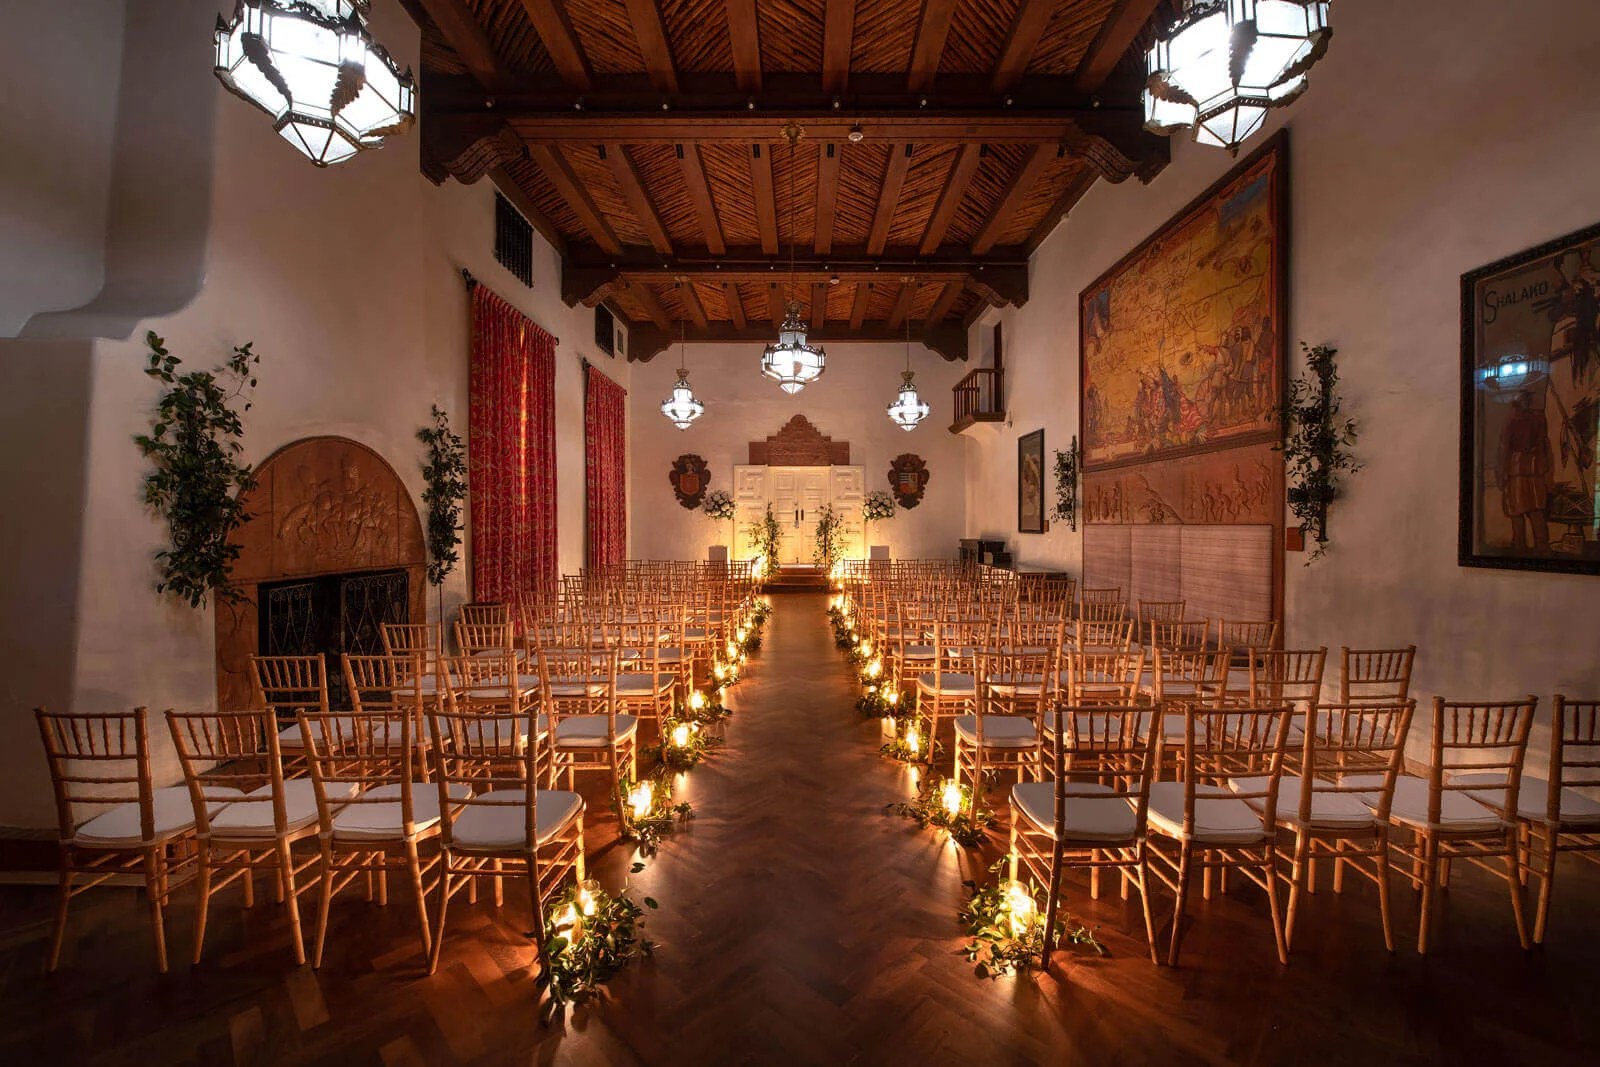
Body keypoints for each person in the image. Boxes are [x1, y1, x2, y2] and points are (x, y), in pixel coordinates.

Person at [1497, 389, 1554, 552]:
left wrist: (1501, 473)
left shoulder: (1514, 420)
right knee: (1530, 510)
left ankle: (1525, 546)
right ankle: (1533, 546)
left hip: (1519, 471)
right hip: (1531, 470)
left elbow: (1504, 448)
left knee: (1522, 511)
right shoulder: (1537, 418)